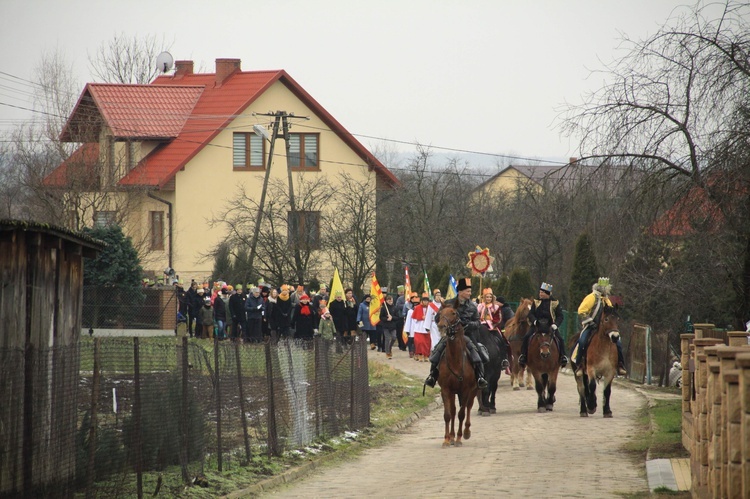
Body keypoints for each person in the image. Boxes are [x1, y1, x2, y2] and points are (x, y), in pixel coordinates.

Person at [424, 278, 488, 389]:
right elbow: (437, 318)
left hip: (467, 335)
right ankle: (432, 376)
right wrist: (444, 323)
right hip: (450, 335)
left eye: (470, 291)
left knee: (478, 353)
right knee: (437, 351)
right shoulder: (448, 303)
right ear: (460, 291)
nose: (469, 293)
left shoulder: (472, 306)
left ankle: (480, 377)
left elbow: (478, 322)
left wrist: (469, 325)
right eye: (467, 291)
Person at [574, 277, 627, 376]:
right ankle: (580, 365)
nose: (606, 289)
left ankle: (620, 365)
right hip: (591, 326)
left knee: (618, 342)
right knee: (582, 341)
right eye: (605, 287)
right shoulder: (592, 297)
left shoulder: (607, 300)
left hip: (605, 329)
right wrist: (590, 321)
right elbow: (581, 311)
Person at [518, 282, 568, 368]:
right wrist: (534, 321)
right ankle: (523, 356)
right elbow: (531, 314)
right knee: (526, 337)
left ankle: (562, 357)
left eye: (542, 292)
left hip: (550, 326)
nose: (540, 294)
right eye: (540, 292)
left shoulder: (555, 303)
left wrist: (556, 325)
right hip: (537, 325)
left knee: (560, 339)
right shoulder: (536, 302)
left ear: (547, 294)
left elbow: (560, 316)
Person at [406, 294, 433, 362]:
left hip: (427, 328)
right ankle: (420, 354)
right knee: (419, 342)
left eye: (427, 301)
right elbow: (414, 318)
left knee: (427, 342)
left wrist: (427, 318)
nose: (426, 302)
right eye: (424, 301)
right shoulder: (417, 308)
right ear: (422, 301)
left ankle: (426, 355)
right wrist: (421, 317)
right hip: (419, 328)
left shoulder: (430, 308)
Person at [393, 285, 407, 351]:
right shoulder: (398, 299)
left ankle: (404, 345)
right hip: (400, 317)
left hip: (406, 318)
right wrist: (405, 305)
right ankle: (400, 344)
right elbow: (397, 306)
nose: (402, 293)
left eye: (403, 292)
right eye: (400, 292)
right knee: (399, 332)